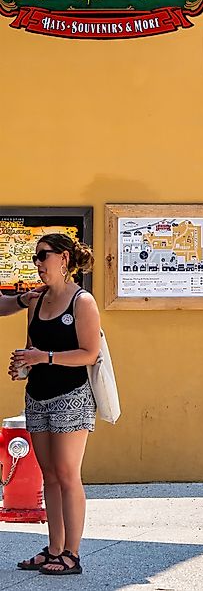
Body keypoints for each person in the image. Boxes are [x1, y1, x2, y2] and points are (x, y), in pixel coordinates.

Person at [5, 235, 100, 576]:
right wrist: (24, 366)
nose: (37, 263)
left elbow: (89, 353)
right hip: (38, 396)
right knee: (49, 476)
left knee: (67, 474)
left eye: (43, 256)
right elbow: (33, 347)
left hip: (71, 396)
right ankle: (54, 548)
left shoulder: (82, 301)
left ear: (63, 258)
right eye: (35, 257)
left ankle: (72, 554)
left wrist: (43, 357)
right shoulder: (35, 300)